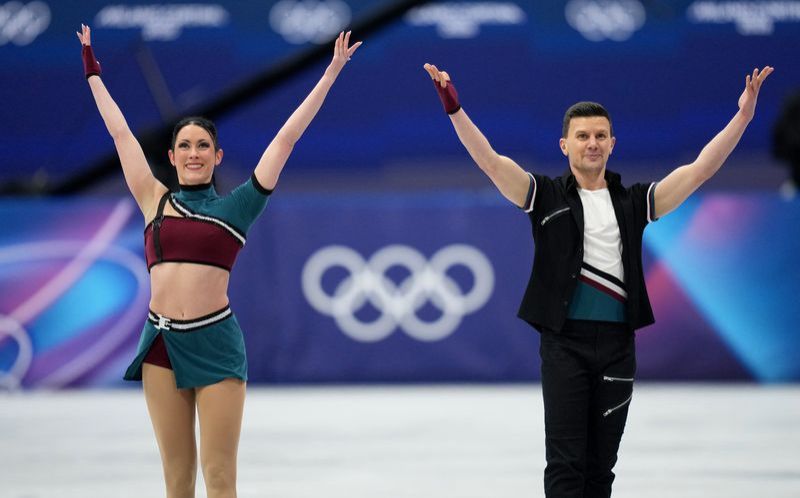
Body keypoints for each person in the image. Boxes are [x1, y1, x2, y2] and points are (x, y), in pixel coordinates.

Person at [423, 62, 772, 497]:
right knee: (566, 464)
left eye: (600, 136)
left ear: (612, 144)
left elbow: (700, 169)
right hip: (563, 346)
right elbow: (492, 163)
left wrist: (743, 117)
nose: (592, 144)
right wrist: (455, 109)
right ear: (565, 144)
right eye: (584, 136)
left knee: (601, 469)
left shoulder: (634, 201)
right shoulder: (543, 195)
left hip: (616, 349)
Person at [77, 24, 361, 498]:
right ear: (170, 155)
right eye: (184, 146)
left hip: (216, 344)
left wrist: (331, 73)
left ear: (217, 155)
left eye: (202, 145)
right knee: (177, 480)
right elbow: (120, 132)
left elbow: (287, 138)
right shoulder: (154, 199)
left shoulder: (238, 207)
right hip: (161, 345)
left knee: (220, 476)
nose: (193, 153)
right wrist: (93, 75)